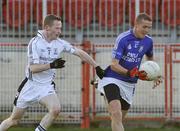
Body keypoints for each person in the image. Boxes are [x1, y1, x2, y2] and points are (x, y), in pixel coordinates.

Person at [0, 14, 104, 131]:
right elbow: (32, 69)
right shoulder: (35, 43)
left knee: (55, 109)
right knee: (14, 120)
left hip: (46, 86)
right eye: (57, 28)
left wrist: (97, 66)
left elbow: (79, 52)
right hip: (30, 85)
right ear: (47, 28)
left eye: (60, 28)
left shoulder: (60, 43)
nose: (60, 31)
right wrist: (51, 65)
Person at [97, 13, 162, 131]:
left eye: (149, 27)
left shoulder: (148, 41)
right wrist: (130, 73)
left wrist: (155, 75)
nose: (147, 30)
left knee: (118, 118)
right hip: (113, 78)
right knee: (116, 114)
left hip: (129, 83)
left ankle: (100, 87)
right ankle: (103, 86)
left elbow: (150, 60)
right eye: (144, 27)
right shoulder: (123, 38)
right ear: (136, 25)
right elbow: (114, 65)